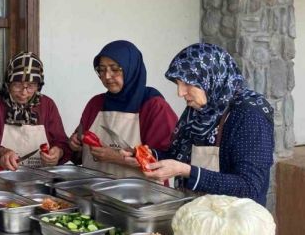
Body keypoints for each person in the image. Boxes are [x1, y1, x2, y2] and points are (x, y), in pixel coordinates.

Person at [142, 43, 274, 206]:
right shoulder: (201, 109)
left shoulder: (249, 115)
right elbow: (178, 158)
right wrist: (149, 158)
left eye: (188, 84)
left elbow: (249, 187)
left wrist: (186, 171)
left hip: (235, 223)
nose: (180, 93)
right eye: (178, 84)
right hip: (197, 215)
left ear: (211, 77)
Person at [68, 40, 178, 178]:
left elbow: (168, 161)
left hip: (143, 196)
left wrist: (118, 158)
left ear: (130, 68)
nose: (107, 76)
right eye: (101, 70)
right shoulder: (95, 104)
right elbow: (78, 155)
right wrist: (74, 146)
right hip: (94, 193)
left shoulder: (154, 106)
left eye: (114, 69)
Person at [0, 52, 71, 169]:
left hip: (39, 182)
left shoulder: (47, 105)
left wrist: (58, 152)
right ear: (8, 83)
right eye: (17, 85)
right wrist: (0, 154)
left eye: (31, 85)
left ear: (39, 86)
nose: (24, 92)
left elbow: (63, 143)